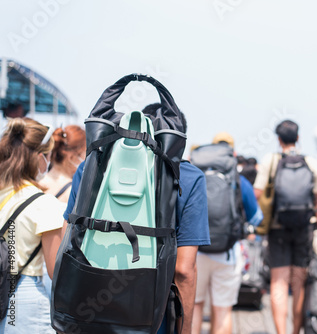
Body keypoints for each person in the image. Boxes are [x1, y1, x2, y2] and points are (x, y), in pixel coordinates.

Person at [63, 105, 210, 334]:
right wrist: (186, 328)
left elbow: (65, 247)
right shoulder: (190, 178)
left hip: (87, 312)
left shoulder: (92, 166)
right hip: (148, 317)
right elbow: (183, 270)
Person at [253, 120, 317, 334]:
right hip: (304, 230)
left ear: (279, 140)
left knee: (278, 283)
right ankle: (296, 331)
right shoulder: (312, 163)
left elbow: (256, 195)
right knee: (299, 283)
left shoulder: (271, 161)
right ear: (298, 138)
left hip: (277, 229)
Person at [192, 132, 263, 334]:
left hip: (196, 252)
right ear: (232, 152)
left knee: (195, 307)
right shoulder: (240, 181)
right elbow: (256, 218)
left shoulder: (196, 176)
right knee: (222, 311)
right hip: (228, 252)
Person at [0, 118, 65, 333]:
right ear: (39, 158)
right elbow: (55, 270)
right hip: (24, 296)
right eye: (47, 157)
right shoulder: (44, 204)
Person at [39, 125, 86, 203]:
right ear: (72, 157)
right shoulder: (74, 192)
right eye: (84, 154)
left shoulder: (37, 183)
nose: (85, 159)